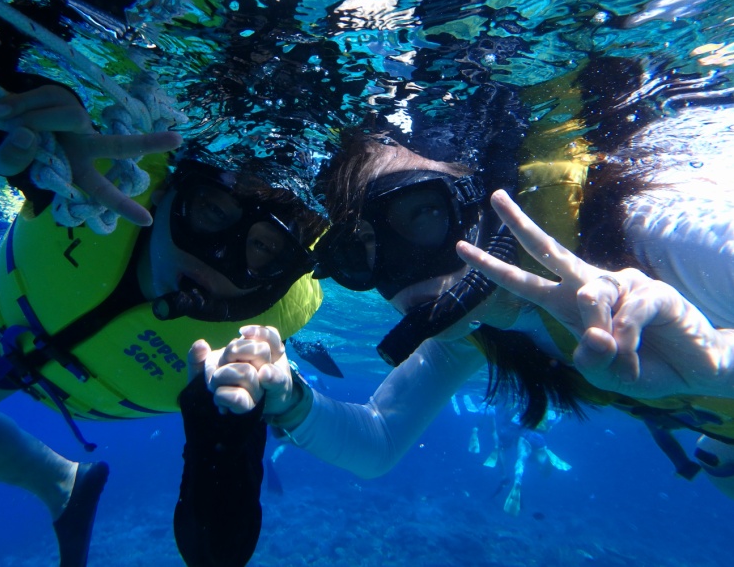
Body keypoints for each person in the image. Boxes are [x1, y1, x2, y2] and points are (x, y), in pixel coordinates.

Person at [0, 16, 326, 567]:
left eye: (262, 251)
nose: (216, 260)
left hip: (64, 362)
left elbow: (216, 552)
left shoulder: (256, 335)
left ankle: (63, 482)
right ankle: (62, 482)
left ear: (282, 274)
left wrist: (229, 433)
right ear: (167, 193)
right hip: (1, 334)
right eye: (210, 213)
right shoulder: (99, 173)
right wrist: (9, 108)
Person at [192, 59, 734, 507]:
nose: (403, 272)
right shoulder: (478, 330)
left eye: (421, 215)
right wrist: (290, 401)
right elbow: (378, 441)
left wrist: (720, 363)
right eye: (360, 251)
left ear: (481, 202)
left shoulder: (653, 239)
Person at [465, 398, 571, 515]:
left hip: (521, 431)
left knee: (511, 453)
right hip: (536, 435)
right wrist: (559, 417)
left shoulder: (512, 409)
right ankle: (540, 461)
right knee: (531, 452)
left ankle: (514, 478)